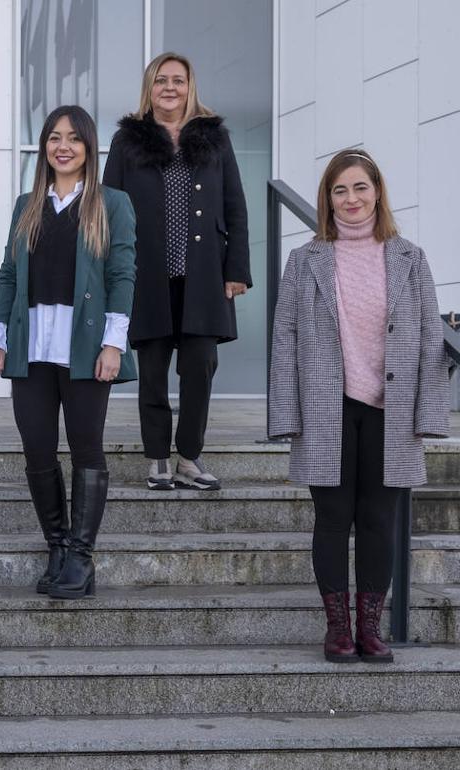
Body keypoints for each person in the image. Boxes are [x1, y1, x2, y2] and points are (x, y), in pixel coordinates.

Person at [269, 150, 450, 663]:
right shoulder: (304, 261)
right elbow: (285, 336)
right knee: (331, 517)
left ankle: (371, 628)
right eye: (340, 190)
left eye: (360, 188)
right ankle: (337, 629)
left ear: (377, 192)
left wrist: (427, 415)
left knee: (377, 519)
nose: (351, 199)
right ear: (328, 199)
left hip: (389, 410)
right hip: (326, 406)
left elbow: (431, 339)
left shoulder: (410, 257)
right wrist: (286, 414)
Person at [0, 105, 137, 599]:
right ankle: (57, 546)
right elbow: (9, 274)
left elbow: (121, 276)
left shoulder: (111, 204)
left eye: (74, 137)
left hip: (87, 346)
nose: (63, 146)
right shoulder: (25, 205)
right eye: (54, 137)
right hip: (32, 345)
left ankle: (82, 556)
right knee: (36, 448)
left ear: (90, 147)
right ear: (44, 147)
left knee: (86, 446)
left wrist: (114, 343)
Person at [103, 51, 251, 491]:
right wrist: (112, 275)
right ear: (150, 89)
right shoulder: (128, 141)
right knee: (151, 371)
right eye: (161, 80)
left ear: (191, 88)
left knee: (200, 366)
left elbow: (235, 207)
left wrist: (236, 269)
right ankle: (157, 460)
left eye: (179, 81)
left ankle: (189, 457)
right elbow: (109, 211)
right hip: (147, 278)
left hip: (204, 277)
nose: (170, 88)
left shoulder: (215, 139)